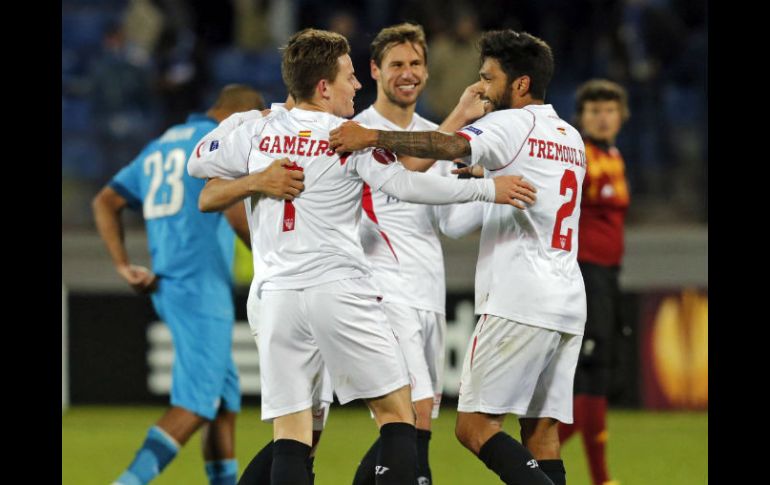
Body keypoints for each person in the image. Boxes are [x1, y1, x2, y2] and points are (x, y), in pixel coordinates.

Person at [187, 28, 536, 485]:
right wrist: (489, 188)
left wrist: (256, 177)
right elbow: (410, 184)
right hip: (338, 289)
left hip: (275, 299)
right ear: (324, 86)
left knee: (293, 432)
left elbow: (198, 165)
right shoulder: (346, 137)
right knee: (399, 412)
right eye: (350, 77)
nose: (357, 86)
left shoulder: (255, 129)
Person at [330, 29, 588, 485]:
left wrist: (371, 136)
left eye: (488, 78)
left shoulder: (510, 124)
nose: (482, 89)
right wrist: (482, 186)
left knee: (472, 427)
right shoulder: (569, 137)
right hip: (566, 299)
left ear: (520, 84)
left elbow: (440, 149)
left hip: (518, 299)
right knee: (540, 431)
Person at [92, 84, 305, 485]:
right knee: (195, 405)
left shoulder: (161, 144)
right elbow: (235, 214)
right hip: (200, 286)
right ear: (239, 115)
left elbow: (106, 200)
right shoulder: (218, 143)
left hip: (170, 282)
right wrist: (276, 259)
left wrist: (123, 265)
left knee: (223, 405)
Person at [350, 22, 528, 485]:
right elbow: (408, 173)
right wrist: (461, 122)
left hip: (426, 290)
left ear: (426, 71)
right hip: (382, 290)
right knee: (412, 416)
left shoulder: (437, 135)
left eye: (414, 64)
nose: (406, 74)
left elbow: (449, 221)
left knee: (413, 423)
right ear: (374, 71)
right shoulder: (361, 133)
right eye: (396, 65)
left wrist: (499, 200)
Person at [557, 79, 630, 485]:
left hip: (607, 275)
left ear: (621, 116)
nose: (603, 117)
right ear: (581, 117)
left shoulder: (615, 155)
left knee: (596, 374)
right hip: (586, 273)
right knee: (590, 372)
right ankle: (598, 478)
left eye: (609, 109)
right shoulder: (580, 156)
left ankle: (538, 459)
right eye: (594, 110)